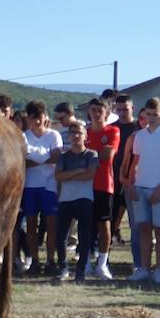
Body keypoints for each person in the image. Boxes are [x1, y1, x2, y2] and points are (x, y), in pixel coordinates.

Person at [124, 98, 160, 283]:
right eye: (148, 114)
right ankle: (144, 268)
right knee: (144, 229)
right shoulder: (139, 136)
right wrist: (131, 184)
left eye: (155, 114)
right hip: (140, 187)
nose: (152, 118)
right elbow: (136, 162)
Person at [19, 100, 61, 275]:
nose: (37, 122)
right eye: (33, 118)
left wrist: (35, 158)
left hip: (49, 186)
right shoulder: (23, 136)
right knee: (30, 225)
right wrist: (44, 157)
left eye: (40, 117)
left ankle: (51, 260)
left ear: (45, 117)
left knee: (51, 225)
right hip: (29, 185)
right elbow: (23, 161)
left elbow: (57, 157)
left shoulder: (53, 135)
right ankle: (34, 260)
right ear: (28, 118)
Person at [53, 120, 97, 282]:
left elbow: (90, 175)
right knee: (61, 236)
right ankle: (63, 268)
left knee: (84, 237)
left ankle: (80, 272)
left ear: (85, 135)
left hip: (85, 199)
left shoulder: (92, 154)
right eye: (73, 133)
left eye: (79, 133)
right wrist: (78, 171)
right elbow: (58, 176)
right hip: (66, 199)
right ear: (69, 136)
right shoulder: (64, 156)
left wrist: (69, 174)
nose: (76, 136)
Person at [84, 98, 120, 280]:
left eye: (100, 110)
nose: (96, 114)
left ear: (106, 112)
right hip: (84, 185)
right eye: (93, 110)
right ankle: (86, 262)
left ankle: (102, 263)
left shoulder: (113, 130)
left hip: (104, 184)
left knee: (104, 224)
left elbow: (107, 155)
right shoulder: (84, 132)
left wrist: (88, 156)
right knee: (85, 224)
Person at [111, 96, 135, 242]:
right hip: (115, 176)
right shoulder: (112, 128)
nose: (122, 112)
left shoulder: (139, 127)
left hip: (135, 177)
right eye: (119, 109)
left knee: (136, 218)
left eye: (125, 109)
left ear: (133, 108)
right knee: (113, 213)